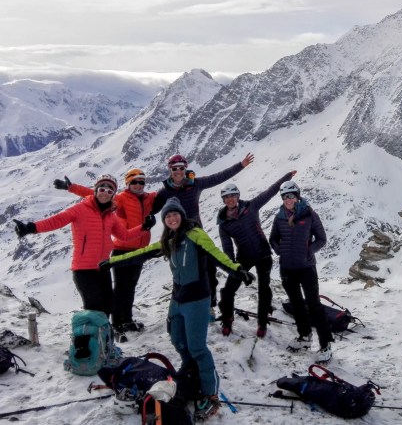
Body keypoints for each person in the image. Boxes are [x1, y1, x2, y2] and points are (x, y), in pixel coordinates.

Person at [101, 197, 253, 421]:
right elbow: (141, 253)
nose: (172, 218)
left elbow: (217, 255)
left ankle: (210, 394)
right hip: (177, 299)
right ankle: (191, 372)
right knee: (178, 340)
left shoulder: (195, 234)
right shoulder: (168, 240)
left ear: (181, 215)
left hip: (197, 299)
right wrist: (113, 261)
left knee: (198, 347)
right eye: (168, 216)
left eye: (175, 214)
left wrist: (237, 270)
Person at [12, 174, 148, 317]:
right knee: (95, 310)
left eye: (109, 191)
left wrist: (144, 227)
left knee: (108, 306)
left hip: (103, 268)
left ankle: (104, 332)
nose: (105, 193)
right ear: (96, 190)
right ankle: (91, 332)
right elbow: (57, 220)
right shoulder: (80, 209)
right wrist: (31, 227)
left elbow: (124, 236)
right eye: (102, 189)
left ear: (113, 195)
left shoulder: (110, 215)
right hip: (84, 271)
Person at [54, 168, 157, 333]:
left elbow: (168, 193)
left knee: (130, 287)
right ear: (128, 183)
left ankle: (127, 320)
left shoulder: (148, 198)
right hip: (122, 249)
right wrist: (72, 188)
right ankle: (116, 323)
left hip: (139, 249)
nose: (138, 185)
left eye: (141, 182)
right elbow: (98, 195)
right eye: (134, 182)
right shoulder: (120, 198)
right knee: (120, 288)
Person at [152, 152, 254, 317]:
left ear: (186, 168)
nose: (178, 171)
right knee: (182, 273)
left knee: (209, 270)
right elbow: (151, 209)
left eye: (181, 168)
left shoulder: (196, 184)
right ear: (170, 170)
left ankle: (209, 305)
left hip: (197, 235)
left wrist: (240, 165)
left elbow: (218, 177)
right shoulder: (164, 192)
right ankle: (181, 306)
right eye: (174, 168)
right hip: (178, 238)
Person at [217, 170, 297, 338]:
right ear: (223, 200)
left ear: (238, 196)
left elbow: (270, 191)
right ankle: (227, 318)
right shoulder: (223, 222)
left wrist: (287, 176)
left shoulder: (251, 206)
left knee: (264, 289)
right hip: (243, 257)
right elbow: (227, 247)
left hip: (263, 254)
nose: (230, 199)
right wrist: (234, 267)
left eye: (233, 196)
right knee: (228, 289)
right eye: (226, 197)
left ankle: (262, 322)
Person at [268, 180, 334, 363]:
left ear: (297, 196)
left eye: (291, 196)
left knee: (314, 305)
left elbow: (321, 238)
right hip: (287, 268)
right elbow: (273, 239)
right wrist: (280, 251)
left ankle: (325, 344)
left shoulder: (309, 214)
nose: (288, 200)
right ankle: (305, 335)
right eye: (285, 197)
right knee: (297, 304)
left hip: (306, 268)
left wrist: (308, 251)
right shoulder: (279, 217)